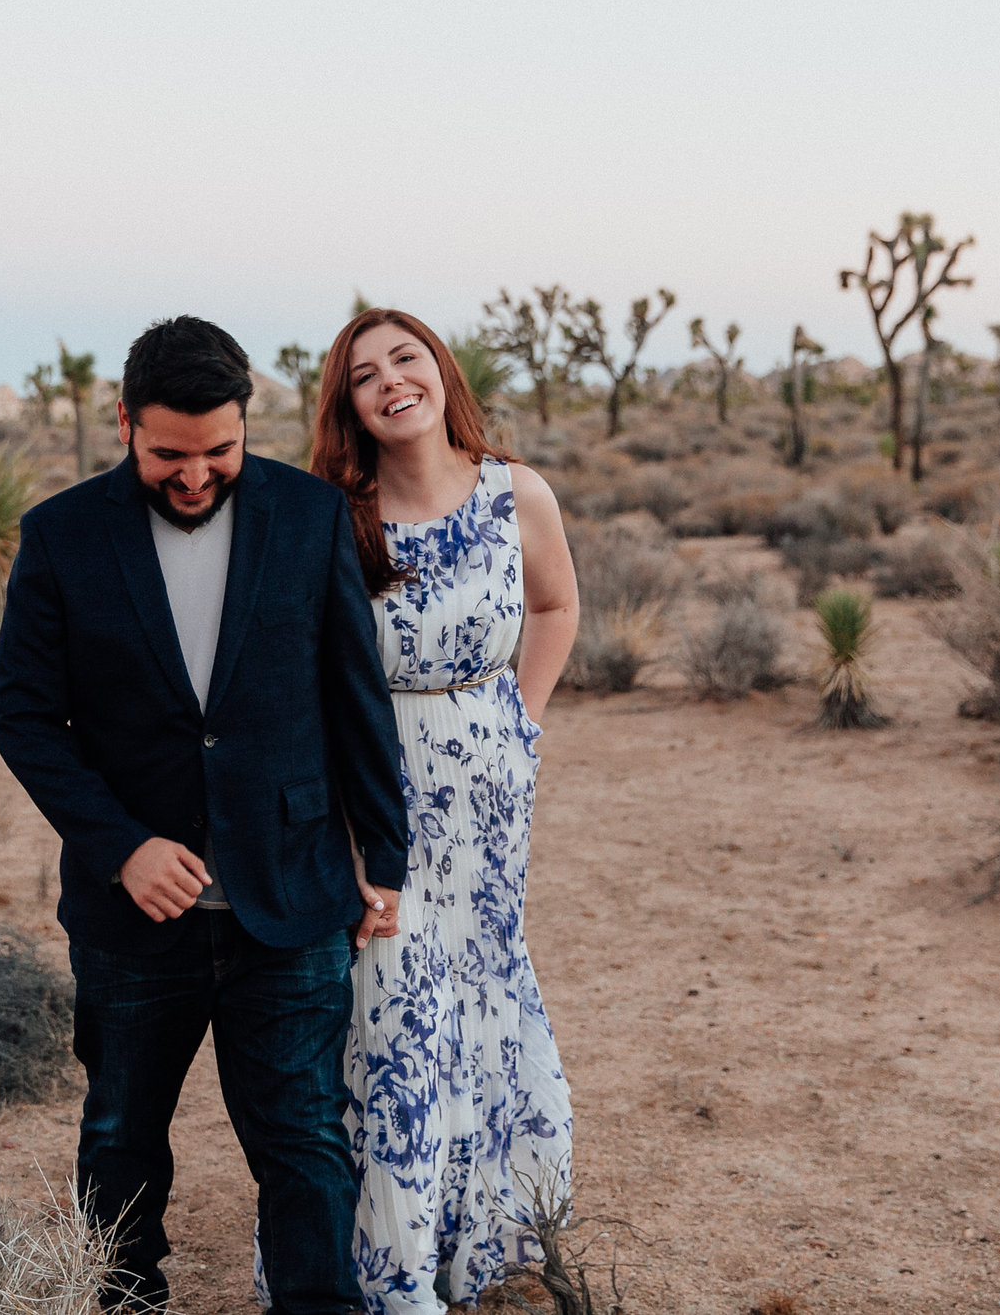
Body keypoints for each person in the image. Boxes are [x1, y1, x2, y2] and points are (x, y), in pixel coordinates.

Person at [0, 315, 410, 1315]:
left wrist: (382, 857)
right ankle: (124, 1299)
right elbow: (21, 713)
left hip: (291, 892)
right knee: (120, 1135)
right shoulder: (58, 534)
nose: (192, 476)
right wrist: (120, 846)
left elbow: (356, 695)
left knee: (304, 1141)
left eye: (218, 452)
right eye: (167, 454)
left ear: (244, 427)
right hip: (133, 918)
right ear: (123, 420)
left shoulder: (309, 518)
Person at [312, 307, 581, 1313]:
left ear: (438, 371)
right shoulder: (339, 516)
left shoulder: (517, 494)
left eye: (406, 358)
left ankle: (485, 1244)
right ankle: (389, 1268)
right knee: (391, 1010)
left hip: (488, 780)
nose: (390, 381)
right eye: (364, 374)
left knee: (479, 987)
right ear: (347, 405)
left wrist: (520, 715)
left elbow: (554, 607)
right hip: (377, 784)